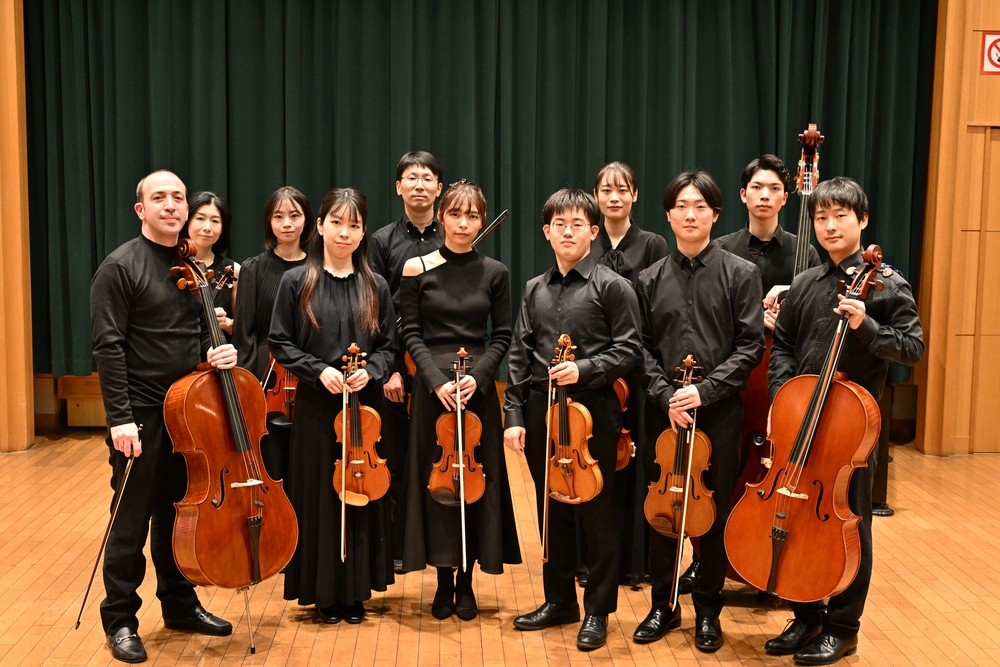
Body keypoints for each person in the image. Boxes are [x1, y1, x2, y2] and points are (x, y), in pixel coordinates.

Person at [764, 176, 923, 665]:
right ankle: (805, 614)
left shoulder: (886, 283)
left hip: (851, 433)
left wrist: (866, 325)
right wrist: (784, 397)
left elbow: (912, 348)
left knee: (849, 525)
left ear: (862, 220)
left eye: (840, 216)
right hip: (801, 422)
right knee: (798, 518)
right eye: (821, 217)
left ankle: (843, 627)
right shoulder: (806, 283)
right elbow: (783, 345)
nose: (830, 226)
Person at [91, 170, 238, 663]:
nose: (171, 205)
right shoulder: (120, 267)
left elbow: (195, 335)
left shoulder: (191, 266)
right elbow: (108, 347)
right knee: (131, 523)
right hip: (140, 416)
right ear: (142, 210)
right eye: (159, 198)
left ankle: (179, 605)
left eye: (178, 197)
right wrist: (120, 419)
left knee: (180, 516)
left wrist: (214, 354)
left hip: (188, 417)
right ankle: (120, 620)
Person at [504, 188, 641, 651]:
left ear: (593, 231)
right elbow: (519, 357)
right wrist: (514, 414)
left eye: (577, 224)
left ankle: (597, 610)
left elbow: (629, 349)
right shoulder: (534, 289)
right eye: (559, 224)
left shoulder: (613, 286)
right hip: (543, 411)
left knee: (597, 514)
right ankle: (559, 601)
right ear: (547, 232)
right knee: (554, 509)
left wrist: (584, 368)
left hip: (594, 410)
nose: (567, 231)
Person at [678, 154, 821, 593]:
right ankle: (705, 560)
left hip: (780, 370)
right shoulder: (721, 248)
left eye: (774, 188)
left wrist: (788, 312)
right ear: (742, 195)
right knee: (717, 470)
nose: (764, 195)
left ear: (786, 196)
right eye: (756, 187)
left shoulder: (804, 250)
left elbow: (812, 313)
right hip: (731, 372)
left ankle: (769, 555)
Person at [633, 170, 763, 651]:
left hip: (718, 412)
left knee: (714, 512)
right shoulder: (648, 279)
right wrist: (665, 394)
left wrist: (704, 392)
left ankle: (708, 610)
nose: (690, 215)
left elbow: (750, 347)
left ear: (715, 214)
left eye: (700, 207)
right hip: (664, 412)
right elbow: (640, 348)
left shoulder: (741, 273)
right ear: (668, 216)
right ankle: (662, 607)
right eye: (681, 207)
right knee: (661, 510)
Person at [268, 187, 398, 625]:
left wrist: (372, 370)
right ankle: (323, 592)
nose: (345, 233)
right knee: (321, 494)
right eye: (337, 223)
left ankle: (356, 591)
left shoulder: (376, 285)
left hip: (365, 409)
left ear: (363, 232)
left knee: (361, 490)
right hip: (317, 407)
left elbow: (388, 347)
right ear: (320, 226)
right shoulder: (296, 281)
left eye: (354, 225)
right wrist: (317, 369)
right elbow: (280, 341)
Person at [397, 180, 520, 621]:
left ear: (481, 220)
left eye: (472, 216)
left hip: (476, 391)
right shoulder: (416, 268)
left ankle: (466, 579)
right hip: (433, 392)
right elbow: (410, 332)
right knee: (436, 485)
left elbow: (502, 335)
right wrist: (434, 381)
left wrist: (478, 378)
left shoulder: (495, 272)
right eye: (455, 214)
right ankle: (443, 578)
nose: (463, 223)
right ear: (441, 218)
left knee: (475, 484)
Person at [593, 161, 669, 587]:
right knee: (599, 461)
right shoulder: (586, 238)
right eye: (606, 189)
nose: (615, 197)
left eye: (623, 189)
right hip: (596, 369)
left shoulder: (653, 244)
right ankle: (595, 559)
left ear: (635, 195)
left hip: (638, 370)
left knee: (638, 462)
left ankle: (635, 560)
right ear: (597, 196)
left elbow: (656, 307)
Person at [368, 151, 444, 553]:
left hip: (442, 362)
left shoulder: (452, 236)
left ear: (439, 188)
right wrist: (391, 370)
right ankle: (399, 545)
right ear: (399, 187)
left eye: (427, 178)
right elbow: (376, 311)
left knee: (439, 452)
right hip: (397, 362)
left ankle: (436, 541)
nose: (419, 185)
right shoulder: (381, 241)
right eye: (411, 178)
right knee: (395, 455)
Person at [232, 186, 313, 485]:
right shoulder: (253, 268)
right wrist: (247, 384)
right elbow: (244, 332)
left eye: (294, 215)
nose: (286, 223)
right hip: (265, 373)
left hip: (309, 369)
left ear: (307, 220)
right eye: (278, 216)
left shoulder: (318, 267)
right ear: (269, 221)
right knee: (270, 453)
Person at [179, 191, 239, 339]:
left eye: (215, 221)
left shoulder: (233, 270)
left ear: (222, 228)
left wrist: (226, 323)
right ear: (187, 221)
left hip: (218, 350)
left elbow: (244, 330)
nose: (207, 227)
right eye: (200, 218)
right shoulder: (173, 265)